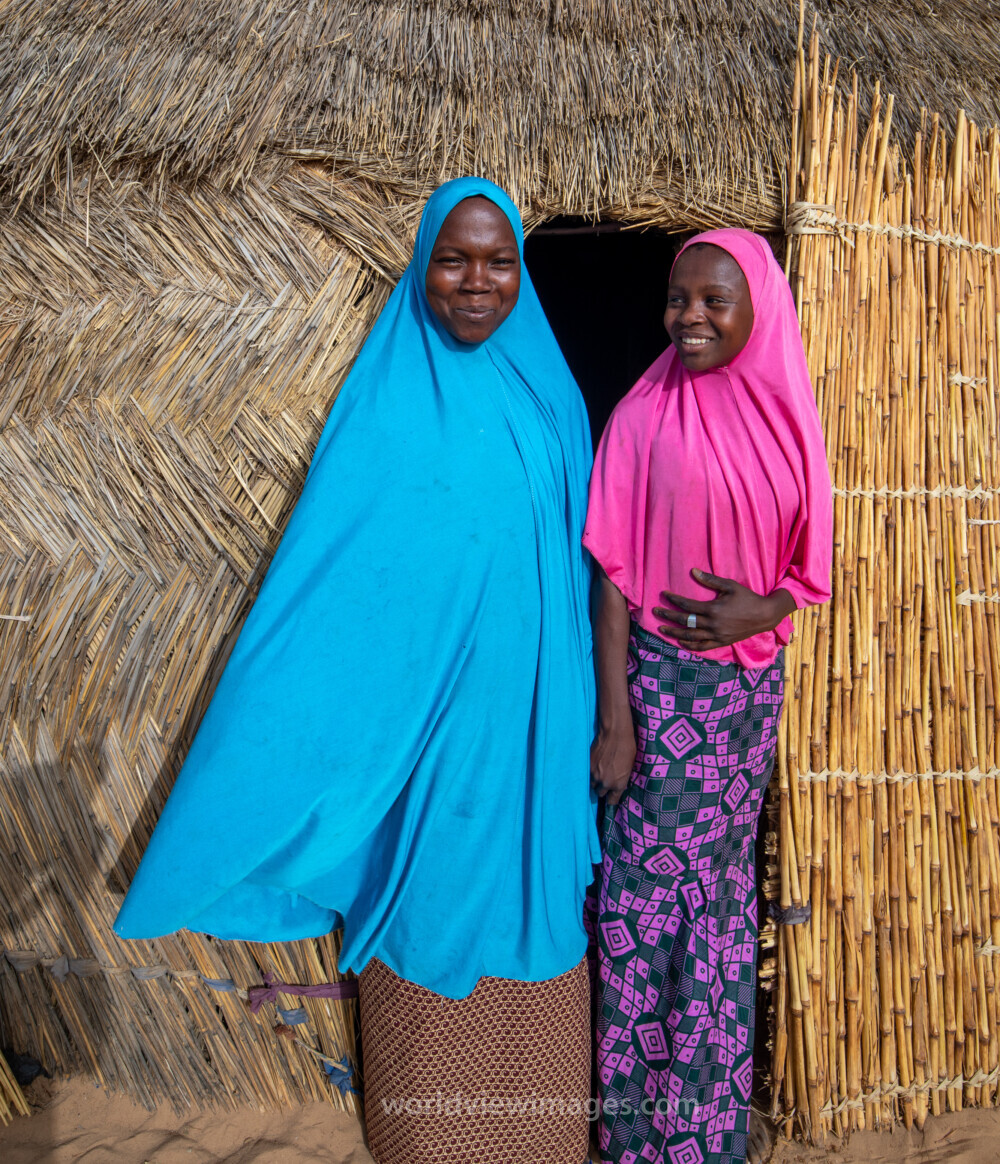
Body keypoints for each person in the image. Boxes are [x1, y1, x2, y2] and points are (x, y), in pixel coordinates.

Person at [115, 177, 599, 1164]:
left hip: (538, 729)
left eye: (497, 261)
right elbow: (333, 584)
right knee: (435, 901)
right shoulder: (387, 405)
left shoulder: (552, 395)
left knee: (537, 903)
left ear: (522, 270)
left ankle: (536, 1132)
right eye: (453, 260)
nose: (476, 281)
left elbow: (589, 560)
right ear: (422, 266)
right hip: (431, 737)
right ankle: (435, 1137)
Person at [584, 229, 832, 1164]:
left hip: (743, 701)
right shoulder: (644, 412)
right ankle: (634, 1135)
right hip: (657, 694)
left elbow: (806, 572)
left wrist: (757, 609)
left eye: (712, 301)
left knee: (721, 911)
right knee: (641, 901)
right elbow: (609, 569)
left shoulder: (785, 415)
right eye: (677, 298)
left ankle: (706, 1133)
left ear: (755, 311)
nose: (689, 317)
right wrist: (617, 718)